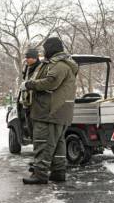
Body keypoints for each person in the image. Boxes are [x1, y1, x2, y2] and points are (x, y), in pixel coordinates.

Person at [21, 38, 78, 185]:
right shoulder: (61, 64)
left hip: (49, 111)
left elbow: (51, 82)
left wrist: (29, 85)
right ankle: (58, 172)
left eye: (46, 49)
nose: (44, 52)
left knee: (43, 143)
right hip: (56, 111)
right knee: (58, 144)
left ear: (52, 49)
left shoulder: (59, 65)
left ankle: (40, 174)